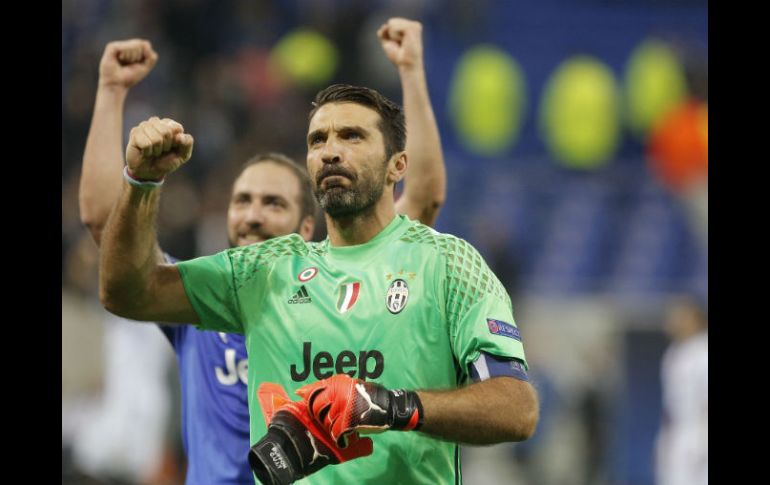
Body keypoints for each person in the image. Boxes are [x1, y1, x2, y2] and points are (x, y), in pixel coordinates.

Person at [82, 18, 447, 485]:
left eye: (273, 203)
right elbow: (104, 223)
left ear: (307, 227)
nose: (252, 215)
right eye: (242, 201)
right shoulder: (200, 299)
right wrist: (112, 91)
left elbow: (423, 198)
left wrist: (412, 71)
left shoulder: (335, 295)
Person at [655, 296, 708, 485]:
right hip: (677, 429)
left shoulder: (704, 351)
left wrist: (703, 438)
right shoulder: (674, 352)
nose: (672, 321)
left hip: (700, 431)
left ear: (694, 318)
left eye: (680, 316)